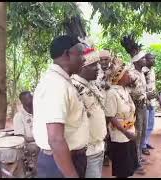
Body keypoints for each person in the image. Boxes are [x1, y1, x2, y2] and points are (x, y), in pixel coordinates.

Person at [33, 35, 89, 178]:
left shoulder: (62, 81)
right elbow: (55, 139)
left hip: (66, 160)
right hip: (60, 164)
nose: (84, 59)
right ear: (66, 54)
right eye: (81, 54)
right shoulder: (56, 85)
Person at [71, 49, 107, 178]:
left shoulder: (91, 83)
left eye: (98, 64)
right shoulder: (73, 87)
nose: (98, 68)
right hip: (87, 151)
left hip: (98, 145)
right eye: (93, 65)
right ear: (82, 66)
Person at [105, 58, 142, 178]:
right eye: (126, 73)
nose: (129, 75)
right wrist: (126, 132)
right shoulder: (112, 93)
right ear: (119, 77)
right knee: (123, 168)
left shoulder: (125, 90)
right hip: (120, 135)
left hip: (129, 131)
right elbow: (111, 117)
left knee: (129, 166)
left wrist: (130, 131)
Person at [128, 51, 153, 171]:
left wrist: (147, 96)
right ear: (137, 61)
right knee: (137, 134)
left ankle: (138, 156)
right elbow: (131, 92)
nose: (145, 60)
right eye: (143, 58)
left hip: (143, 106)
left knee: (142, 132)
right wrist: (145, 95)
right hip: (137, 107)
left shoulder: (141, 73)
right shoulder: (132, 75)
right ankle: (135, 162)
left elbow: (142, 90)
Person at [13, 91, 39, 175]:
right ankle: (36, 172)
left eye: (32, 97)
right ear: (22, 101)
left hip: (41, 141)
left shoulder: (38, 113)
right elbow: (21, 138)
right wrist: (38, 139)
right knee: (38, 148)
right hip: (29, 145)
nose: (32, 100)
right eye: (29, 98)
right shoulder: (19, 116)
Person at [98, 49, 114, 166]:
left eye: (106, 59)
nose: (104, 62)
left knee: (112, 130)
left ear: (109, 59)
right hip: (99, 107)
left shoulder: (114, 70)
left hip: (112, 106)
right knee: (103, 132)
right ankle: (103, 155)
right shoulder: (94, 71)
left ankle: (110, 154)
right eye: (101, 60)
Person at [141, 53, 157, 156]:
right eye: (151, 58)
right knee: (144, 125)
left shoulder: (152, 71)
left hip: (152, 101)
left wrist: (158, 97)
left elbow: (153, 85)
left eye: (154, 58)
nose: (153, 60)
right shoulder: (143, 71)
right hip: (145, 101)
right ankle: (142, 146)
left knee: (151, 125)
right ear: (146, 60)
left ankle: (146, 143)